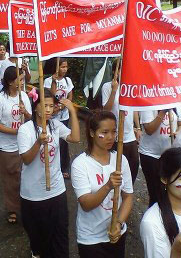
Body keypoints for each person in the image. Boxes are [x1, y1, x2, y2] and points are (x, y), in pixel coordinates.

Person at [17, 88, 80, 258]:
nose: (48, 110)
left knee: (60, 233)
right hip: (33, 194)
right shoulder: (25, 130)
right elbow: (27, 160)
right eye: (44, 106)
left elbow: (75, 138)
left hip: (56, 190)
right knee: (39, 238)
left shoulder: (55, 125)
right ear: (36, 107)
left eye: (51, 106)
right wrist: (38, 142)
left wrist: (72, 112)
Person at [71, 110, 133, 257]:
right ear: (92, 133)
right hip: (91, 239)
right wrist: (107, 186)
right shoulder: (80, 164)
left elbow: (128, 196)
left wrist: (118, 223)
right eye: (104, 132)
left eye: (113, 131)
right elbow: (85, 204)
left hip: (116, 235)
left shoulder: (120, 160)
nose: (110, 137)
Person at [0, 66, 32, 224]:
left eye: (22, 79)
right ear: (9, 82)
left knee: (26, 177)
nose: (22, 82)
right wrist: (14, 132)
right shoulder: (0, 99)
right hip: (7, 147)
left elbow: (31, 118)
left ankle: (26, 207)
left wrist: (26, 113)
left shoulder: (24, 96)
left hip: (25, 145)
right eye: (19, 80)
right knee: (11, 179)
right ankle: (12, 209)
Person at [102, 61, 141, 184]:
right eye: (120, 69)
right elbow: (106, 109)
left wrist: (138, 127)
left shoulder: (129, 86)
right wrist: (114, 91)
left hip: (130, 135)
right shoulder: (107, 86)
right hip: (114, 135)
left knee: (133, 166)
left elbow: (133, 108)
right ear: (114, 71)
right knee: (116, 168)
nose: (122, 72)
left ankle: (127, 192)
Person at [139, 107, 181, 207]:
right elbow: (149, 129)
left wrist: (178, 132)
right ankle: (153, 219)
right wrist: (163, 112)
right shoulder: (148, 102)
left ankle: (168, 218)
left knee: (170, 192)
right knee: (156, 194)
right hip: (150, 155)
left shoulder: (175, 103)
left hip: (170, 154)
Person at [44, 58, 74, 179]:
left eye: (66, 67)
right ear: (56, 67)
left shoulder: (68, 80)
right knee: (51, 141)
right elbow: (49, 96)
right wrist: (54, 82)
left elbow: (70, 95)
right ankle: (50, 166)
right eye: (62, 67)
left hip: (64, 116)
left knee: (64, 142)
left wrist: (62, 106)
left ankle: (64, 167)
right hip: (51, 116)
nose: (65, 69)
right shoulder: (48, 80)